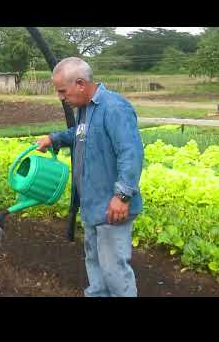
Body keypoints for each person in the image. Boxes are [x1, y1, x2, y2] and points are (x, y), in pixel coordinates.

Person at [36, 57, 144, 297]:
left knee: (114, 272)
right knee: (96, 268)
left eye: (63, 91)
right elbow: (81, 133)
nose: (61, 97)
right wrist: (54, 139)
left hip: (111, 207)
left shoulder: (114, 108)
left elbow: (131, 153)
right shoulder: (87, 109)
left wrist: (123, 196)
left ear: (81, 84)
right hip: (93, 205)